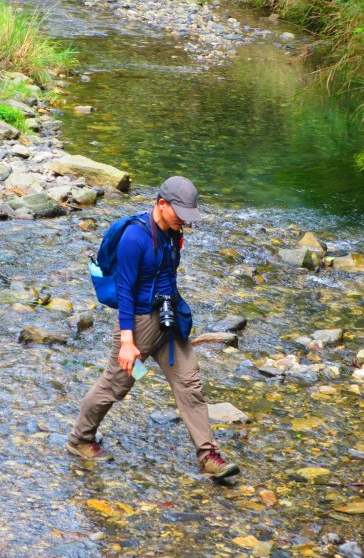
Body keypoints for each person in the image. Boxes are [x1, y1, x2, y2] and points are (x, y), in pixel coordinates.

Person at [67, 176, 240, 480]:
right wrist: (127, 342)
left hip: (168, 322)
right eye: (181, 215)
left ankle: (209, 457)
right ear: (162, 205)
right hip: (138, 323)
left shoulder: (173, 232)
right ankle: (80, 439)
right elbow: (124, 292)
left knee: (190, 384)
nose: (185, 222)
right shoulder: (134, 238)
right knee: (115, 386)